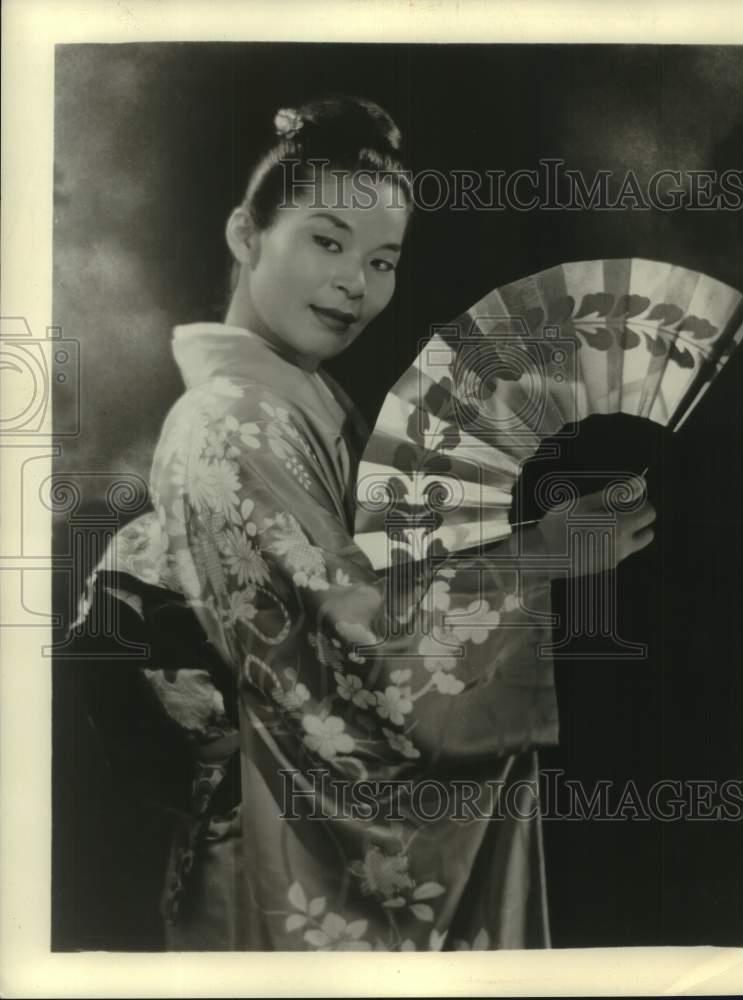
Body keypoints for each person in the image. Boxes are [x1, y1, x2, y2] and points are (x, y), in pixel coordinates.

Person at [77, 94, 656, 952]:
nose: (357, 282)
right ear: (245, 233)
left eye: (384, 260)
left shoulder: (302, 410)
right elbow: (350, 644)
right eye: (327, 241)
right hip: (267, 857)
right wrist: (540, 557)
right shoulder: (228, 424)